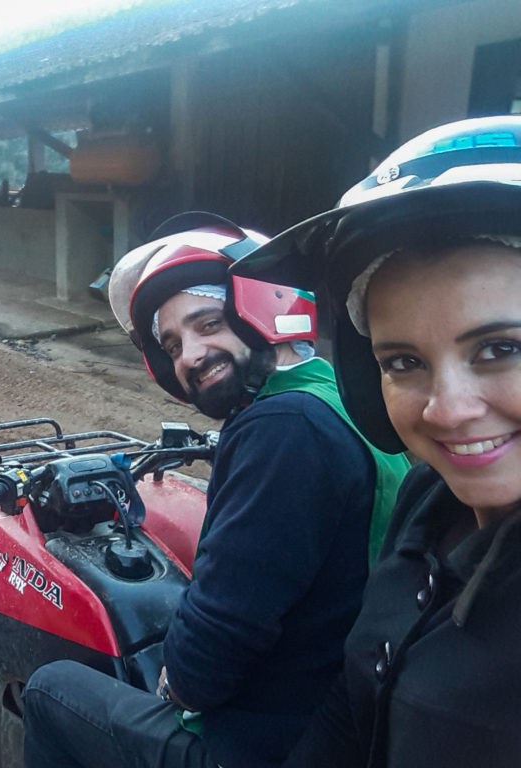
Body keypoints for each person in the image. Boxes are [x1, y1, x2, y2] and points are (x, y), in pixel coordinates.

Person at [22, 212, 410, 768]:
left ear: (263, 311)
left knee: (51, 688)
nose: (191, 356)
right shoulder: (339, 394)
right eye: (174, 344)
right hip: (342, 713)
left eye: (208, 325)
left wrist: (171, 690)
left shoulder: (281, 428)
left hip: (265, 744)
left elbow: (216, 642)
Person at [231, 115, 521, 766]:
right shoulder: (429, 498)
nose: (447, 411)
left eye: (500, 349)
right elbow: (351, 705)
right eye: (402, 362)